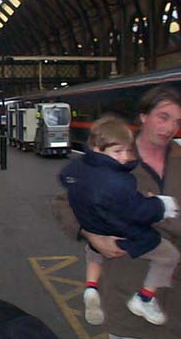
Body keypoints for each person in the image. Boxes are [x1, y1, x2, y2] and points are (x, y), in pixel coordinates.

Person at [53, 85, 181, 339]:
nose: (169, 127)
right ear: (143, 117)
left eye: (177, 121)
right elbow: (65, 203)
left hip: (176, 287)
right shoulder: (113, 155)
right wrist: (89, 234)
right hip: (126, 280)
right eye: (163, 117)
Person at [59, 115, 179, 327]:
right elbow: (137, 210)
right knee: (169, 255)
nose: (124, 157)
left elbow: (68, 182)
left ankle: (90, 287)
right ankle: (145, 298)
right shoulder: (118, 180)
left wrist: (89, 233)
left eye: (127, 151)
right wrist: (161, 206)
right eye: (118, 151)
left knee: (93, 251)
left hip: (96, 226)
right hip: (124, 235)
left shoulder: (77, 168)